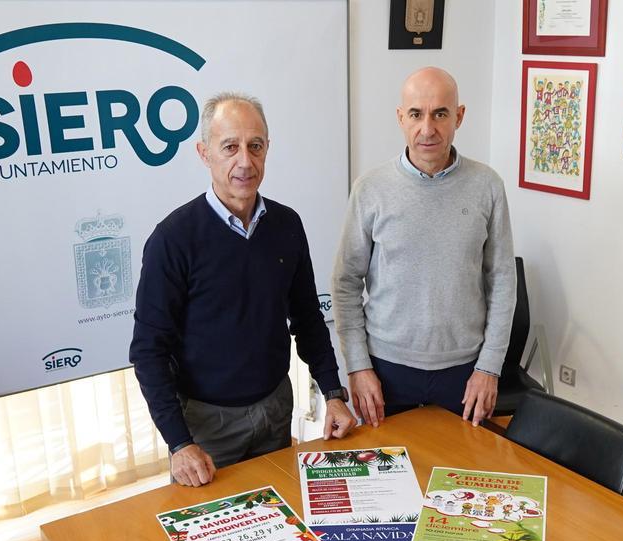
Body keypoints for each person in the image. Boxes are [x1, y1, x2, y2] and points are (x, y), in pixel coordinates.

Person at [130, 92, 356, 487]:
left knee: (285, 519)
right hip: (205, 426)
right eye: (230, 147)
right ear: (204, 153)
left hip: (275, 409)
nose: (244, 162)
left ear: (268, 149)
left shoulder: (287, 225)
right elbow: (149, 351)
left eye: (255, 146)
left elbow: (306, 317)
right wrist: (179, 443)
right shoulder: (173, 239)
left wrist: (333, 393)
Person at [331, 67, 515, 429]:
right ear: (401, 118)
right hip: (385, 373)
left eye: (440, 114)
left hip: (465, 374)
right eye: (416, 114)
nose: (427, 128)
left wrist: (490, 367)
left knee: (457, 475)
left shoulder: (487, 186)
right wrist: (357, 366)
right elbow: (345, 283)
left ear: (459, 117)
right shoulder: (370, 189)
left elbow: (503, 282)